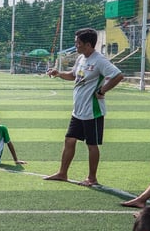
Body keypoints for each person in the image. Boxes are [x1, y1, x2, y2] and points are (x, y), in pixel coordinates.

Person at [44, 28, 124, 187]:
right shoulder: (81, 58)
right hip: (78, 111)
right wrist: (59, 73)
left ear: (88, 44)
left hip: (92, 112)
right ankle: (62, 173)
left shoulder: (99, 60)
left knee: (91, 145)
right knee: (69, 140)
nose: (76, 46)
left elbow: (118, 75)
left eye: (78, 43)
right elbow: (73, 76)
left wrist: (102, 90)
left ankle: (92, 178)